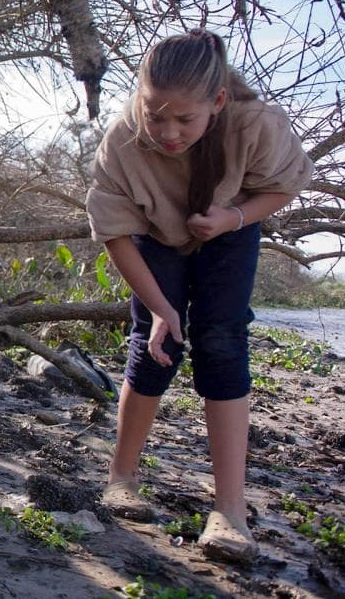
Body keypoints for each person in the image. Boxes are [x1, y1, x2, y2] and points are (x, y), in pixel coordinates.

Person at [86, 29, 313, 564]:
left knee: (221, 344)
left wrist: (233, 217)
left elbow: (284, 185)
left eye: (184, 120)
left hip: (230, 229)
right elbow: (114, 233)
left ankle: (229, 511)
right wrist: (161, 309)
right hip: (155, 238)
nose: (168, 132)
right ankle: (122, 478)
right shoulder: (122, 139)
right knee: (155, 346)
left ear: (218, 101)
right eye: (155, 115)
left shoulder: (256, 123)